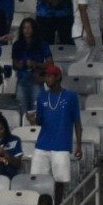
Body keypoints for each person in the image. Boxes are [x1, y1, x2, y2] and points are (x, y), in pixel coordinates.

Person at [29, 64, 83, 193]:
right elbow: (40, 121)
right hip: (42, 144)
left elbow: (77, 122)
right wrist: (33, 120)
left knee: (60, 181)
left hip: (61, 145)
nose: (47, 79)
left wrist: (79, 145)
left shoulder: (71, 96)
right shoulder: (42, 95)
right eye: (46, 76)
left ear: (58, 77)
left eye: (50, 76)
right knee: (37, 179)